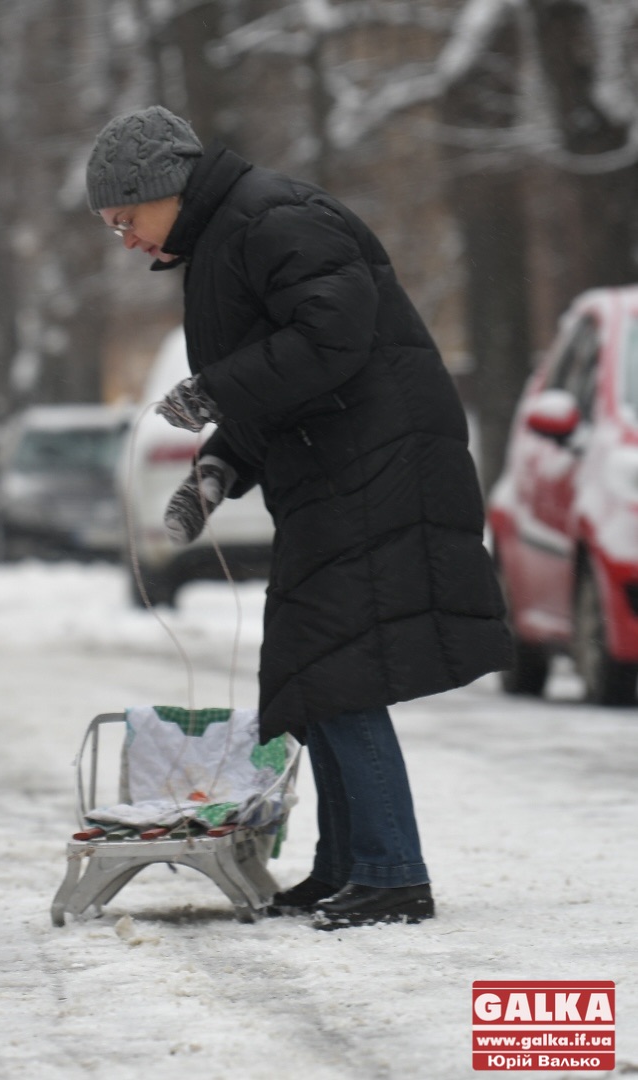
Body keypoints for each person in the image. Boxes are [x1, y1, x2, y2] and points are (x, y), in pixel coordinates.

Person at [85, 106, 509, 929]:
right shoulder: (227, 239)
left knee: (341, 671)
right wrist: (217, 466)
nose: (127, 240)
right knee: (311, 676)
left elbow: (332, 337)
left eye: (125, 219)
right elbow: (287, 378)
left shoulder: (272, 217)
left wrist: (213, 392)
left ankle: (393, 873)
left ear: (162, 190)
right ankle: (347, 863)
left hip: (378, 469)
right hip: (338, 471)